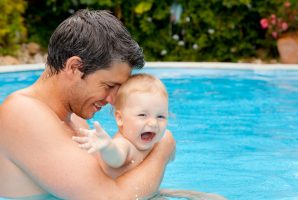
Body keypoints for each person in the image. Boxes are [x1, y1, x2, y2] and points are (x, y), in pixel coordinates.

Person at [0, 9, 175, 200]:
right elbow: (110, 197)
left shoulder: (75, 119)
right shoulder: (23, 113)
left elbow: (106, 182)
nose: (113, 100)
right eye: (108, 86)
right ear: (74, 67)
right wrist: (161, 151)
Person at [72, 73, 170, 179]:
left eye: (160, 116)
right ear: (120, 118)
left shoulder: (152, 143)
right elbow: (116, 159)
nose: (153, 123)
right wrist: (107, 146)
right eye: (142, 115)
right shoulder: (124, 144)